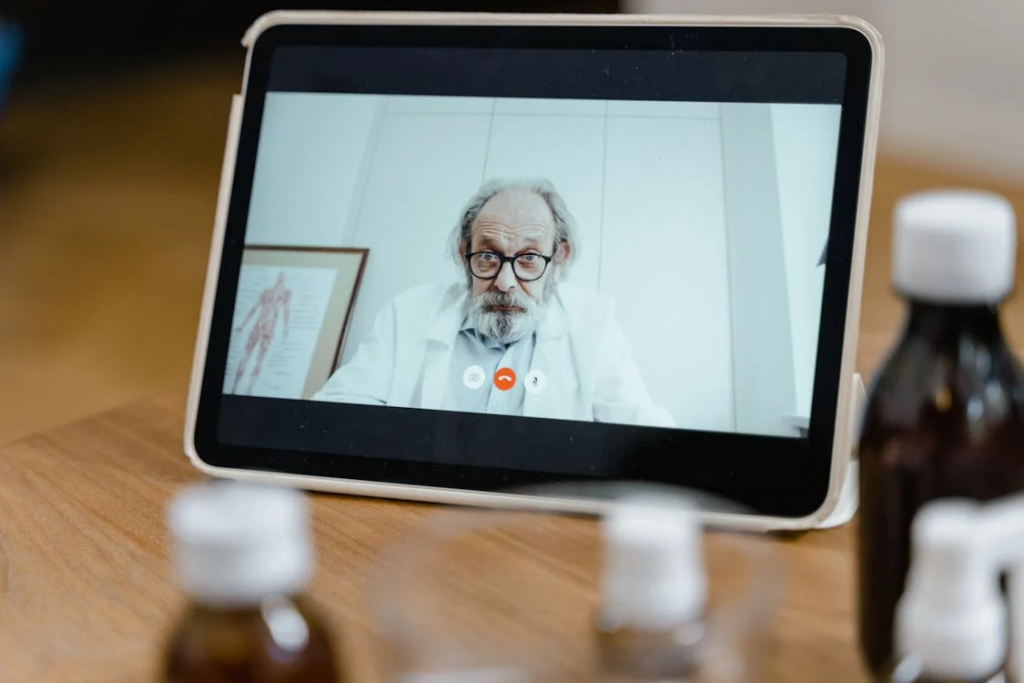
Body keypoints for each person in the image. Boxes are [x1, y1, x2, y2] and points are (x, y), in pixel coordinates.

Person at [312, 178, 674, 428]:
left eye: (529, 258)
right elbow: (335, 415)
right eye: (487, 256)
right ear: (463, 252)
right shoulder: (408, 312)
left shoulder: (594, 326)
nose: (504, 282)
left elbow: (644, 439)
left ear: (559, 258)